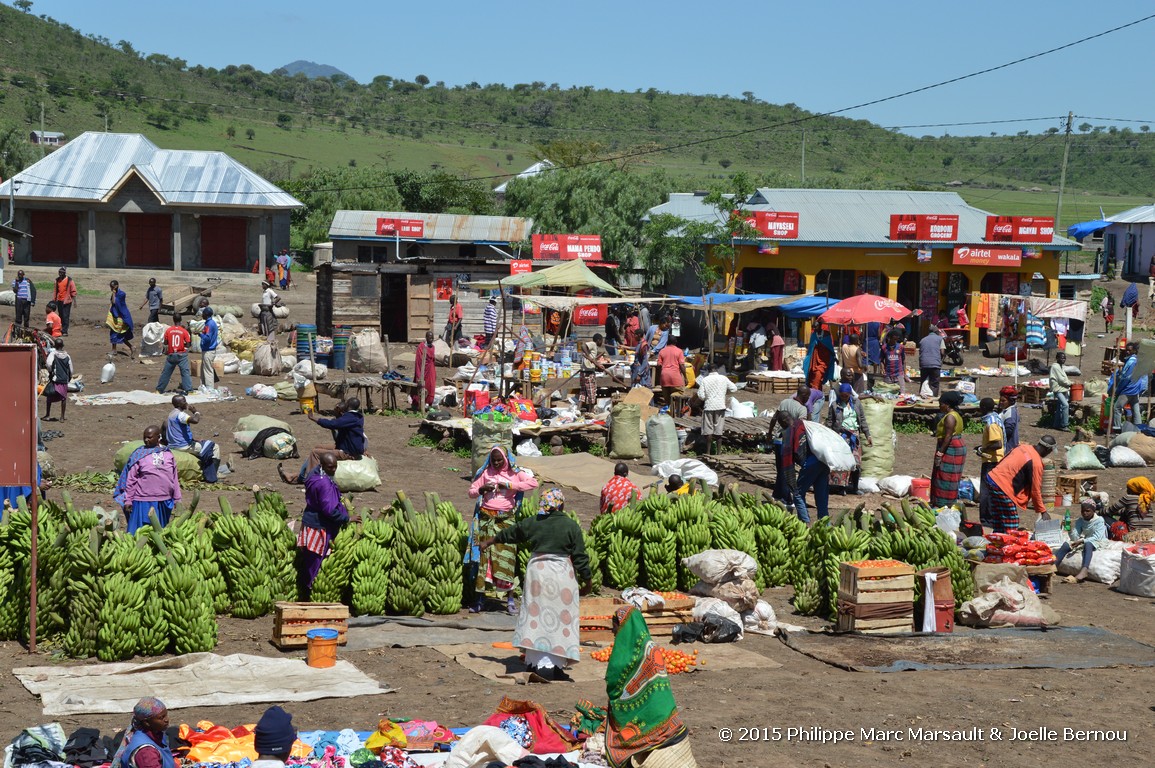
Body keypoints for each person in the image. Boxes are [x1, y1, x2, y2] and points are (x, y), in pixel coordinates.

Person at [480, 489, 591, 681]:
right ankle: (554, 666)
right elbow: (580, 556)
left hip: (537, 574)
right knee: (560, 619)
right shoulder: (570, 525)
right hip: (561, 576)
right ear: (561, 505)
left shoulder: (534, 522)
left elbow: (512, 533)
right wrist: (587, 580)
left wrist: (490, 541)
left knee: (537, 616)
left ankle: (533, 662)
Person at [602, 606, 698, 767]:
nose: (613, 633)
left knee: (625, 736)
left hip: (649, 719)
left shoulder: (623, 654)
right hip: (666, 717)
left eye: (615, 628)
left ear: (625, 626)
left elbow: (614, 683)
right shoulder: (652, 648)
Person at [466, 446, 539, 613]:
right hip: (485, 520)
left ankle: (510, 599)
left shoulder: (515, 473)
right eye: (494, 460)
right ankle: (480, 599)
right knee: (484, 560)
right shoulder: (486, 473)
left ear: (506, 459)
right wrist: (481, 490)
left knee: (507, 558)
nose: (497, 463)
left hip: (505, 521)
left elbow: (533, 483)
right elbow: (470, 491)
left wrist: (508, 484)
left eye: (500, 460)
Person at [296, 452, 351, 600]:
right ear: (323, 466)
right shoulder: (324, 484)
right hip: (319, 526)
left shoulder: (314, 477)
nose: (333, 470)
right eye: (330, 467)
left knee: (310, 559)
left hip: (310, 522)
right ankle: (310, 591)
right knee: (317, 561)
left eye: (335, 467)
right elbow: (329, 510)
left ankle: (306, 588)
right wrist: (346, 518)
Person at [980, 436, 1055, 533]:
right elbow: (1035, 490)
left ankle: (997, 542)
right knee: (1012, 521)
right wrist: (1043, 511)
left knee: (999, 517)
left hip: (992, 478)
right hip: (1003, 486)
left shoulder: (1023, 447)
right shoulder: (1036, 463)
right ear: (1048, 449)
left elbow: (1005, 458)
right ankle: (1009, 544)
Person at [282, 397, 367, 483]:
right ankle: (300, 475)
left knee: (315, 453)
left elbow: (331, 424)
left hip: (348, 453)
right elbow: (337, 433)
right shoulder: (357, 417)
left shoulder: (350, 418)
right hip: (346, 447)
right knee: (318, 447)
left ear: (348, 405)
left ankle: (309, 480)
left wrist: (313, 418)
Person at [114, 426, 181, 534]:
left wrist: (177, 499)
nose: (146, 440)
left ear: (158, 437)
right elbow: (131, 479)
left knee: (160, 532)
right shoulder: (138, 455)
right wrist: (128, 500)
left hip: (164, 500)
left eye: (149, 437)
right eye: (144, 437)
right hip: (143, 500)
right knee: (138, 533)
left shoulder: (168, 454)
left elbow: (174, 478)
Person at [776, 409, 828, 523]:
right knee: (821, 494)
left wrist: (790, 480)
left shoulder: (789, 432)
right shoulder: (805, 424)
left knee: (798, 493)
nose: (781, 426)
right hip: (823, 460)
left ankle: (805, 522)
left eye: (780, 423)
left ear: (784, 421)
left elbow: (787, 458)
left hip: (810, 463)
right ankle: (825, 524)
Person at [826, 383, 871, 495]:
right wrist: (828, 436)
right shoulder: (835, 405)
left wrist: (867, 435)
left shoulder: (856, 404)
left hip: (854, 437)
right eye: (842, 396)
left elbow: (862, 419)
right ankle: (842, 488)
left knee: (856, 463)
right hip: (841, 436)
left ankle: (855, 488)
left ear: (850, 394)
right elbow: (830, 422)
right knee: (842, 463)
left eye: (846, 396)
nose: (844, 398)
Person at [165, 395, 221, 483]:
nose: (186, 403)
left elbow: (178, 432)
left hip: (173, 445)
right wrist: (195, 412)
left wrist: (194, 440)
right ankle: (212, 477)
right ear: (179, 404)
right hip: (183, 446)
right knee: (214, 447)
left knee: (201, 443)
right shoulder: (181, 415)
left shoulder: (171, 414)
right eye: (184, 401)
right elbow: (195, 420)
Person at [1052, 499, 1107, 583]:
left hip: (1098, 541)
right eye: (1083, 511)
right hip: (1085, 539)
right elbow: (1075, 537)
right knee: (1067, 544)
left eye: (1088, 511)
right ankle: (1053, 567)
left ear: (1093, 510)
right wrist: (1069, 529)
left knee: (1088, 544)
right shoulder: (1080, 520)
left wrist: (1082, 541)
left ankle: (1084, 571)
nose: (1085, 513)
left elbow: (1097, 537)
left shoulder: (1099, 520)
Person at [110, 697, 172, 768]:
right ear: (147, 723)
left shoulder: (156, 734)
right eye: (161, 718)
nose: (166, 719)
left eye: (166, 715)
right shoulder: (146, 752)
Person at [930, 390, 966, 506]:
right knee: (946, 475)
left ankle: (943, 503)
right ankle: (945, 502)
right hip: (954, 446)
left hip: (950, 448)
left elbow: (948, 436)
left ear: (947, 405)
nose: (939, 406)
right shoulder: (955, 414)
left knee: (945, 476)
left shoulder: (950, 417)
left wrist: (940, 453)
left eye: (941, 404)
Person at [697, 363, 737, 456]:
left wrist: (708, 396)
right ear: (717, 370)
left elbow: (701, 396)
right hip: (720, 406)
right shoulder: (723, 378)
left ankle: (708, 452)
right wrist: (725, 392)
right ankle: (718, 453)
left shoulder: (705, 380)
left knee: (708, 430)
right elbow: (734, 388)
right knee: (718, 430)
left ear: (708, 370)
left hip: (709, 406)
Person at [1109, 342, 1145, 428]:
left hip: (1128, 389)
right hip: (1136, 389)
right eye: (1126, 350)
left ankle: (1117, 429)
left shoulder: (1131, 362)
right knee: (1135, 409)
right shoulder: (1138, 360)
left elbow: (1125, 378)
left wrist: (1118, 390)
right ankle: (1138, 428)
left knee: (1117, 408)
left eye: (1129, 350)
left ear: (1134, 351)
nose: (1127, 352)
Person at [156, 314, 193, 395]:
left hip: (171, 354)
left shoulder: (169, 330)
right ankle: (189, 390)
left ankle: (159, 389)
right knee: (185, 372)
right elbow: (188, 344)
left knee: (166, 373)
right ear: (181, 320)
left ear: (173, 320)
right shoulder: (184, 331)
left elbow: (165, 342)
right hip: (181, 355)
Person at [975, 397, 1004, 494]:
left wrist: (983, 449)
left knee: (987, 492)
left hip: (992, 460)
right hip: (994, 459)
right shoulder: (996, 418)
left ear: (983, 407)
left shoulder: (991, 423)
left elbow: (997, 444)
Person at [43, 338, 71, 422]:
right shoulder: (67, 356)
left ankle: (47, 415)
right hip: (64, 379)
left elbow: (48, 364)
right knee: (63, 398)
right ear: (62, 346)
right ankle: (62, 417)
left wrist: (51, 372)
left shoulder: (53, 354)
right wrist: (69, 377)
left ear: (54, 346)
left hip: (55, 379)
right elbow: (71, 369)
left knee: (49, 396)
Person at [803, 324, 835, 392]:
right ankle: (817, 392)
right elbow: (811, 347)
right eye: (813, 327)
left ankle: (815, 391)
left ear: (820, 326)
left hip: (824, 359)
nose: (814, 328)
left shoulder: (827, 334)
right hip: (815, 358)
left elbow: (830, 346)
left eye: (815, 327)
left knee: (819, 374)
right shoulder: (814, 334)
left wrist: (834, 356)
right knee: (813, 374)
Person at [108, 280, 136, 358]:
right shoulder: (114, 294)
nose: (111, 288)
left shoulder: (121, 294)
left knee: (116, 333)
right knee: (116, 333)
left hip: (122, 317)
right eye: (110, 287)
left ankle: (115, 350)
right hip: (116, 316)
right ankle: (131, 347)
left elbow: (114, 302)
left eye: (112, 287)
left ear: (116, 286)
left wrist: (113, 293)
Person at [412, 330, 437, 410]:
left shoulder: (433, 347)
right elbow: (419, 361)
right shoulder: (421, 347)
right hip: (423, 369)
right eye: (430, 337)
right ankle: (419, 403)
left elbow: (433, 360)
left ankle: (428, 402)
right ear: (426, 338)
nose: (431, 339)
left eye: (432, 338)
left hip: (431, 369)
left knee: (431, 385)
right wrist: (419, 374)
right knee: (422, 386)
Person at [656, 339, 685, 405]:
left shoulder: (662, 351)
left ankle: (669, 409)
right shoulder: (679, 351)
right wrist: (685, 377)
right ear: (675, 342)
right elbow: (682, 365)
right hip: (675, 377)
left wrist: (661, 374)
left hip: (664, 376)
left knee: (667, 400)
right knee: (679, 392)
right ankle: (674, 403)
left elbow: (659, 365)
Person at [918, 325, 945, 397]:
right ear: (936, 332)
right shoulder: (940, 339)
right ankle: (933, 399)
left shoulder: (922, 340)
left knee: (924, 382)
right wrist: (940, 360)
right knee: (934, 384)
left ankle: (923, 397)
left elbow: (920, 352)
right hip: (935, 364)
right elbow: (942, 352)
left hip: (924, 364)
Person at [1049, 351, 1072, 430]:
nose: (1063, 359)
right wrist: (1070, 383)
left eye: (1064, 358)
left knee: (1059, 407)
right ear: (1057, 358)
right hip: (1058, 389)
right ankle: (1064, 425)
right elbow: (1061, 380)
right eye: (1061, 358)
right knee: (1065, 405)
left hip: (1062, 389)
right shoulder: (1055, 367)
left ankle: (1056, 424)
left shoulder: (1061, 367)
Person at [199, 307, 220, 389]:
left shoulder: (209, 324)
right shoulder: (211, 323)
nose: (202, 315)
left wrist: (200, 334)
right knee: (204, 370)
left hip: (208, 350)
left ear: (206, 314)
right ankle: (203, 386)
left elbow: (207, 338)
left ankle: (209, 388)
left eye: (203, 314)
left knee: (208, 371)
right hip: (208, 350)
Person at [53, 267, 76, 336]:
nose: (60, 274)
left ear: (64, 273)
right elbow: (55, 291)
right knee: (60, 316)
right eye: (59, 272)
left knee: (66, 316)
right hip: (59, 300)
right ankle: (61, 329)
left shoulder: (69, 280)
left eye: (62, 273)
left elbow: (73, 290)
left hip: (67, 301)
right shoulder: (57, 280)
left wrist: (75, 301)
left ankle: (65, 331)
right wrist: (54, 300)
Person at [999, 386, 1021, 452]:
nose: (1001, 402)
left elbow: (1008, 432)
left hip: (1008, 448)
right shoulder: (1007, 410)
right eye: (1000, 400)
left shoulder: (1010, 413)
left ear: (1010, 401)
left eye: (1003, 401)